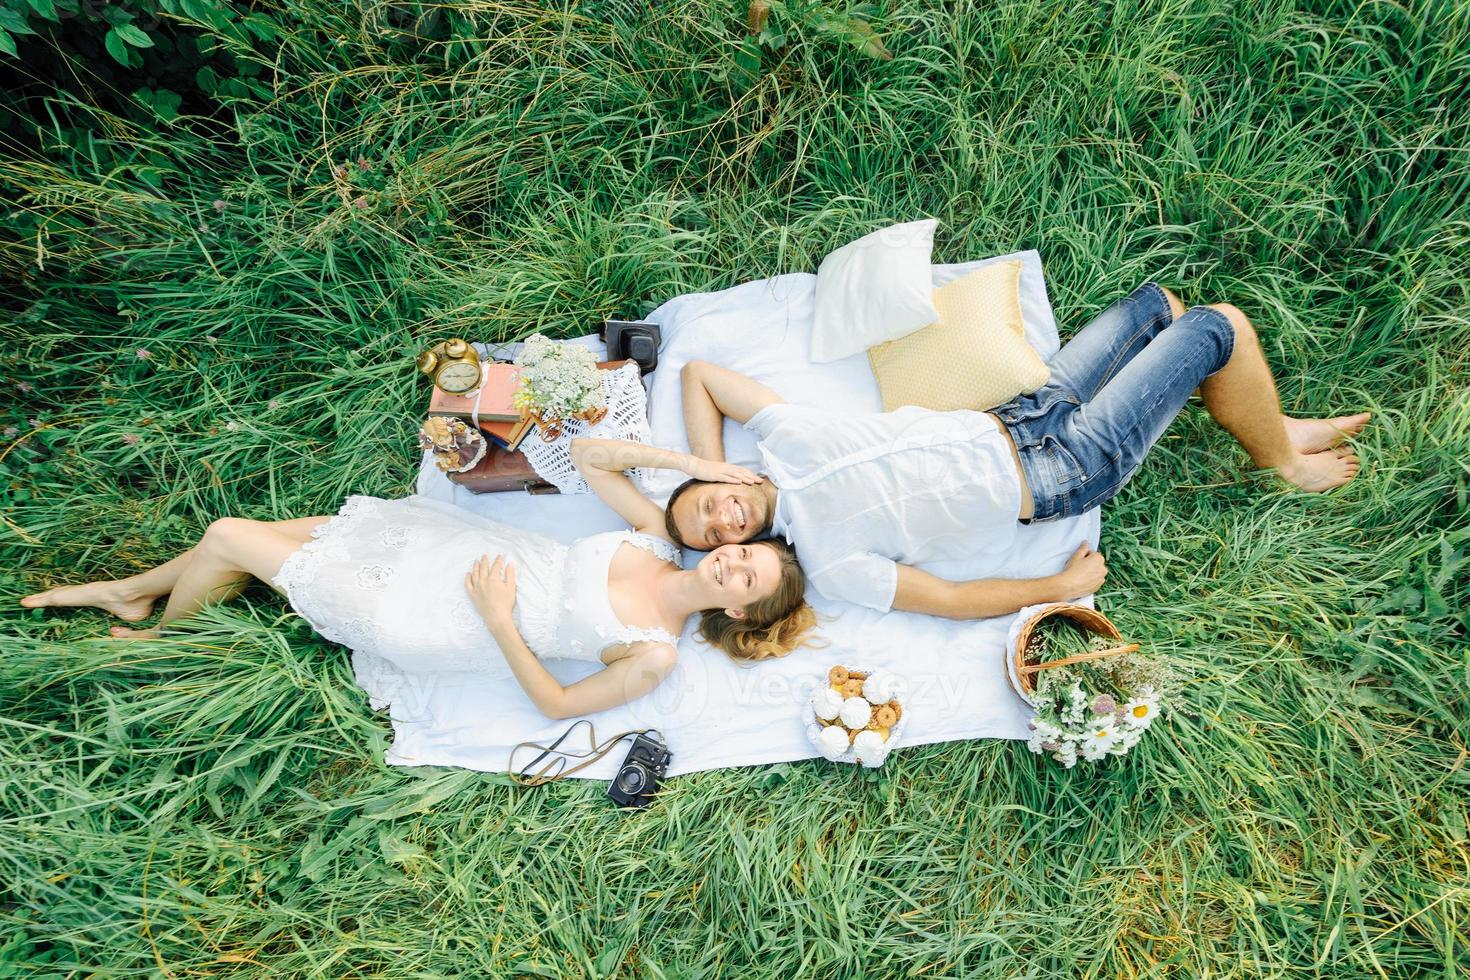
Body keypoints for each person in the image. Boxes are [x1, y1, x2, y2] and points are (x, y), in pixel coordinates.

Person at [659, 283, 1370, 619]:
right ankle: (1280, 458)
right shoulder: (832, 564)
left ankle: (1268, 421)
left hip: (1024, 410)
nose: (720, 523)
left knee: (1162, 308)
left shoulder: (785, 439)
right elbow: (951, 598)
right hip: (1059, 470)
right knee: (1221, 327)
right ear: (747, 543)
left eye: (703, 511)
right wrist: (1055, 590)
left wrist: (701, 464)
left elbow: (700, 378)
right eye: (716, 537)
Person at [20, 440, 816, 719]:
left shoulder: (657, 654)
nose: (732, 556)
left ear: (741, 611)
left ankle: (163, 633)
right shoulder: (655, 539)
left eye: (747, 573)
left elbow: (558, 704)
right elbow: (590, 459)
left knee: (230, 535)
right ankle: (136, 592)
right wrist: (697, 467)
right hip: (447, 544)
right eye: (746, 547)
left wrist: (501, 617)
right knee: (246, 541)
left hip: (449, 615)